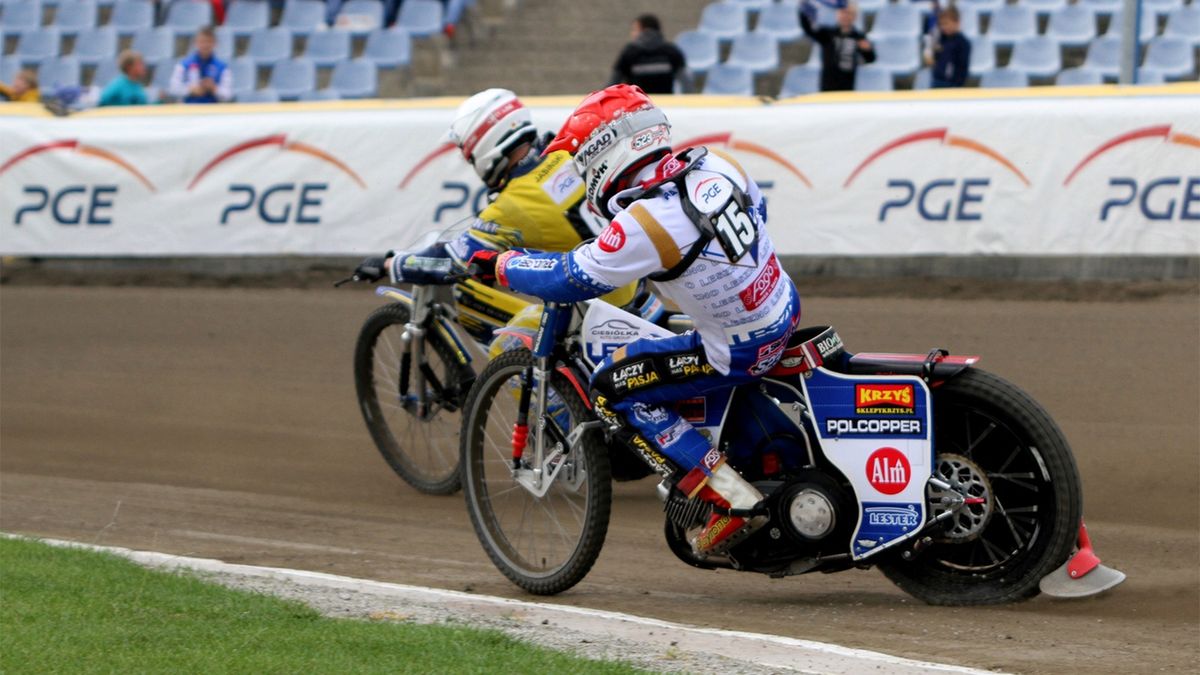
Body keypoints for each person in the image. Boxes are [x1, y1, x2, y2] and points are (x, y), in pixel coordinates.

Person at [467, 85, 802, 555]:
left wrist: (501, 265)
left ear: (606, 150)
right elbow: (758, 213)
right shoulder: (717, 165)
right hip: (783, 306)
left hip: (736, 349)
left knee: (611, 386)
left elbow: (570, 277)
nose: (583, 170)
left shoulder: (647, 220)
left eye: (584, 158)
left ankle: (730, 500)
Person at [353, 88, 665, 323]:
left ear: (484, 147)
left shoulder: (512, 204)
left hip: (598, 314)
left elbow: (452, 263)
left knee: (511, 339)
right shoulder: (565, 154)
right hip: (638, 291)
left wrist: (390, 264)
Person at [800, 0, 876, 92]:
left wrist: (868, 50)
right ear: (837, 14)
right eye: (842, 12)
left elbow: (870, 59)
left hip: (847, 85)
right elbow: (809, 30)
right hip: (827, 84)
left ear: (855, 16)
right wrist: (803, 11)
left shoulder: (858, 37)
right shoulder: (828, 34)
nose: (845, 16)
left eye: (849, 13)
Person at [609, 14, 688, 94]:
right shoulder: (671, 51)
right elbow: (686, 82)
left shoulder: (629, 52)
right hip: (665, 104)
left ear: (642, 30)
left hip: (638, 104)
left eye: (634, 30)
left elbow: (613, 84)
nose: (632, 34)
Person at [168, 26, 232, 104]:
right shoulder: (184, 65)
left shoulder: (222, 67)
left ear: (215, 43)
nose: (205, 45)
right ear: (196, 43)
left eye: (208, 41)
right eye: (202, 42)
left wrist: (214, 88)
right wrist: (190, 90)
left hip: (213, 111)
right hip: (189, 110)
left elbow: (228, 94)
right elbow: (173, 89)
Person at [925, 4, 970, 88]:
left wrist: (958, 85)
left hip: (954, 85)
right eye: (941, 24)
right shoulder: (940, 39)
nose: (943, 27)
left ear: (957, 23)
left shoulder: (963, 43)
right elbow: (934, 58)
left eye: (946, 23)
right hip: (937, 81)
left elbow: (963, 68)